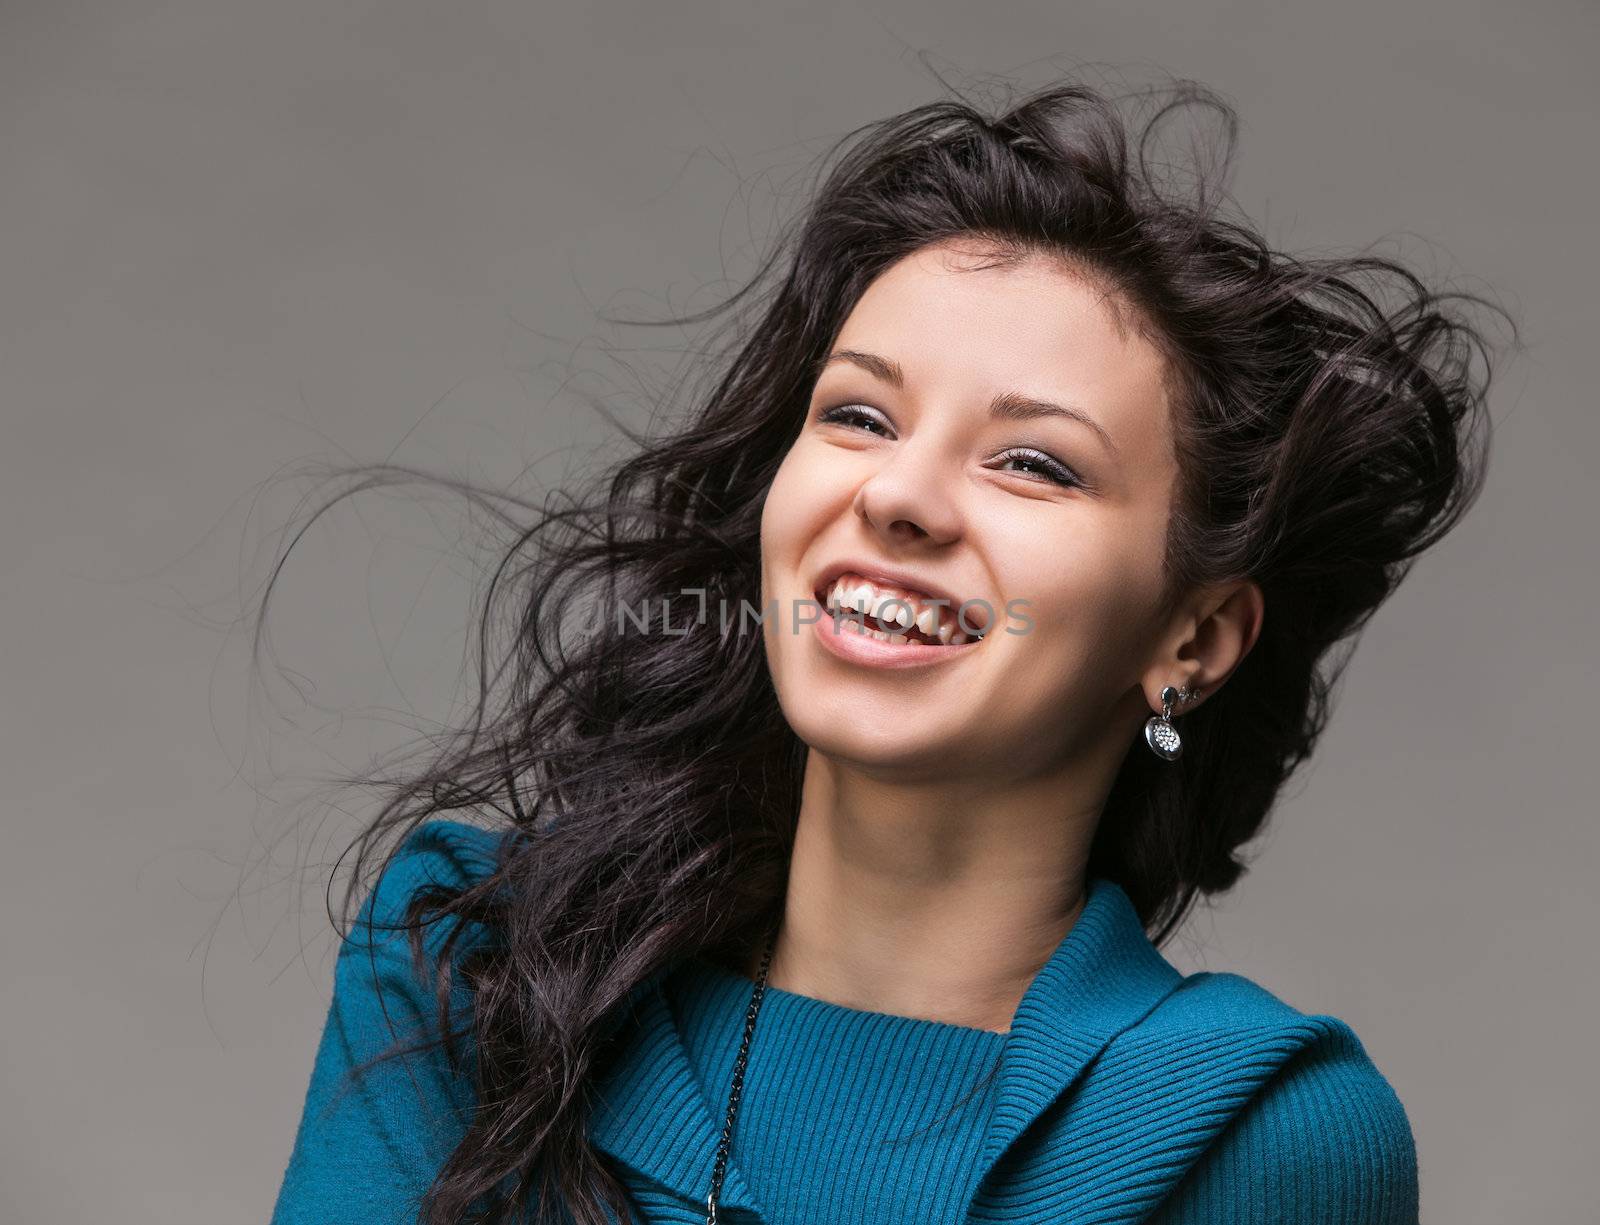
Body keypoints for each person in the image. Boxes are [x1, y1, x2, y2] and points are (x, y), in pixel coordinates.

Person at [266, 78, 1506, 1225]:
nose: (900, 495)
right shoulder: (470, 965)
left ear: (1189, 638)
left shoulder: (1249, 1133)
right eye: (857, 415)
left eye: (1033, 461)